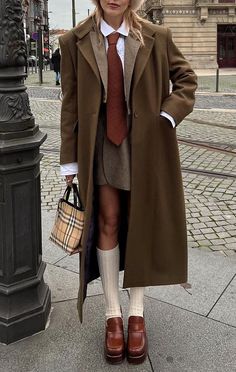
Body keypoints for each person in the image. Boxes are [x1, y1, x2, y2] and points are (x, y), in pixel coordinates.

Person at [59, 0, 197, 365]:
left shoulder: (156, 36)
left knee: (139, 224)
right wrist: (69, 159)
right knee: (108, 221)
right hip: (100, 147)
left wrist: (166, 115)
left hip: (145, 148)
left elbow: (186, 80)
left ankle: (136, 313)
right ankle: (112, 316)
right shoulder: (75, 41)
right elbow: (70, 103)